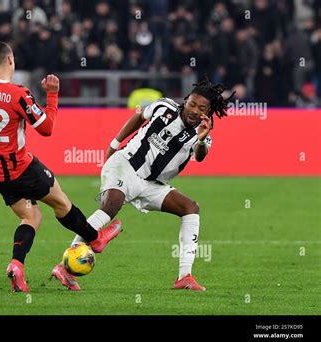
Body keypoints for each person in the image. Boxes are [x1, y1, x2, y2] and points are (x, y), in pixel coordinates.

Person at [0, 41, 122, 292]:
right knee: (61, 204)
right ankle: (95, 238)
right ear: (11, 60)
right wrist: (53, 94)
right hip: (21, 169)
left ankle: (17, 265)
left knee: (31, 216)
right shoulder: (19, 94)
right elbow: (46, 129)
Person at [52, 76, 235, 291]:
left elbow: (200, 155)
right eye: (192, 103)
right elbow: (139, 117)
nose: (194, 110)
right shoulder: (164, 106)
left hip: (152, 184)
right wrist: (114, 144)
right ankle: (65, 266)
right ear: (186, 100)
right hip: (126, 164)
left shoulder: (202, 134)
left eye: (201, 107)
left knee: (190, 208)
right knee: (111, 206)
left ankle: (185, 276)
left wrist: (203, 138)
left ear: (209, 112)